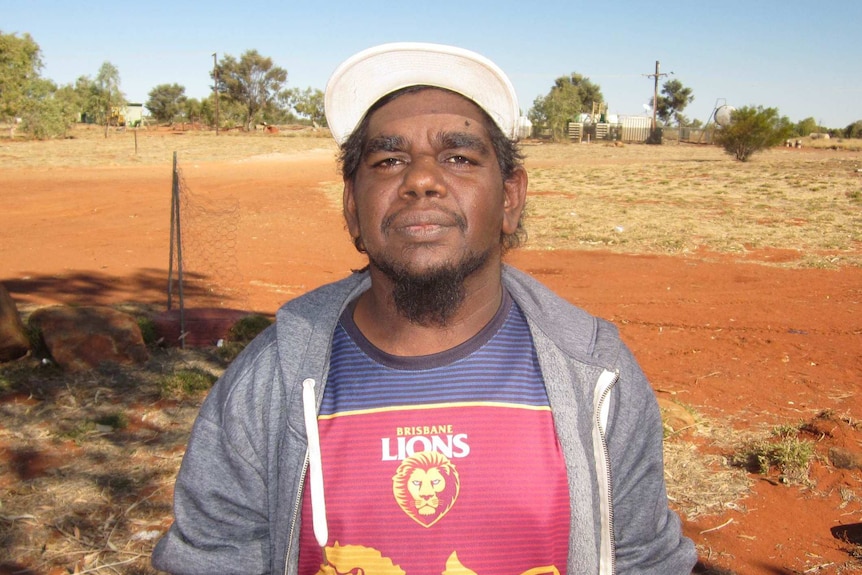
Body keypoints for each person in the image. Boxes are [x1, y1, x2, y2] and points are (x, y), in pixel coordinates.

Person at [152, 42, 697, 575]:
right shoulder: (270, 379)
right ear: (352, 208)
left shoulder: (595, 374)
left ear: (510, 198)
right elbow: (215, 555)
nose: (421, 180)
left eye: (458, 157)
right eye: (389, 160)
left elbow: (643, 560)